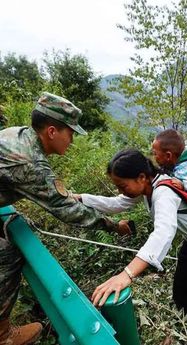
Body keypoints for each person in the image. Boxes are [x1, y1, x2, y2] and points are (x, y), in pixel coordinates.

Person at [0, 92, 130, 345]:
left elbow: (53, 192)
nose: (72, 140)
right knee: (7, 255)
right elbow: (66, 209)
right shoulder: (31, 163)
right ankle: (2, 335)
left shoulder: (19, 135)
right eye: (70, 133)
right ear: (51, 131)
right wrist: (112, 226)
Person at [79, 149, 187, 318]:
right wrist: (81, 198)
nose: (121, 190)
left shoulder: (164, 193)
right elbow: (117, 203)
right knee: (181, 294)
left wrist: (127, 274)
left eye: (122, 186)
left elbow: (164, 232)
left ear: (141, 177)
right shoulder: (149, 187)